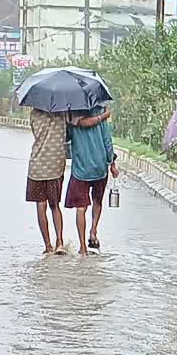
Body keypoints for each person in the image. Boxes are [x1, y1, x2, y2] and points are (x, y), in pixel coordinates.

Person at [65, 105, 119, 257]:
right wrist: (112, 163)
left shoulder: (72, 116)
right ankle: (93, 231)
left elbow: (66, 138)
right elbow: (107, 141)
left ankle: (83, 248)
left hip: (81, 169)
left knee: (80, 208)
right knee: (97, 201)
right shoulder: (101, 115)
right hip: (99, 166)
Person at [25, 108, 68, 255]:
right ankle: (60, 243)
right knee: (55, 205)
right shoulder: (61, 113)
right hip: (55, 164)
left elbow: (36, 133)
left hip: (37, 165)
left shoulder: (34, 114)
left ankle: (48, 245)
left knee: (40, 205)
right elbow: (67, 135)